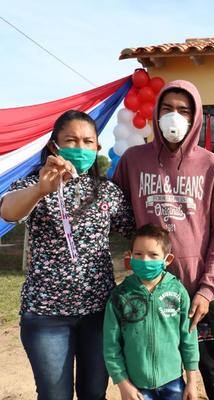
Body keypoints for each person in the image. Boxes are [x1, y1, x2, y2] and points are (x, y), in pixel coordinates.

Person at [113, 80, 214, 399]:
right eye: (167, 109)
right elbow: (116, 213)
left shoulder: (211, 165)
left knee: (213, 375)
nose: (174, 116)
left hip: (197, 294)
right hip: (149, 293)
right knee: (155, 377)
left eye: (184, 110)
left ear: (196, 117)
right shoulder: (133, 160)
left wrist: (208, 289)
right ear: (155, 113)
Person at [0, 110, 135, 399]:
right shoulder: (34, 183)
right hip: (46, 317)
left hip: (99, 314)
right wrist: (40, 190)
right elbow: (9, 211)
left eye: (88, 142)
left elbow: (137, 231)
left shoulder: (108, 192)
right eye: (71, 140)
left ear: (97, 148)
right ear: (54, 146)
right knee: (54, 395)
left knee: (94, 392)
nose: (81, 148)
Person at [103, 224, 199, 400]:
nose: (145, 260)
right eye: (138, 254)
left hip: (174, 383)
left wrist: (192, 381)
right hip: (136, 387)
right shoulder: (120, 296)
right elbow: (111, 346)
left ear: (167, 259)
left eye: (153, 255)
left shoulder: (178, 292)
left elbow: (189, 338)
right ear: (130, 256)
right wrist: (123, 384)